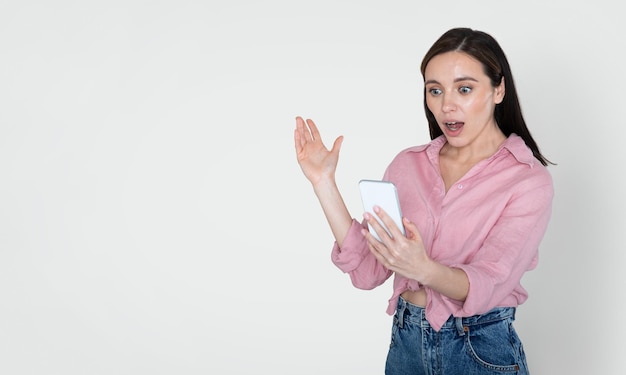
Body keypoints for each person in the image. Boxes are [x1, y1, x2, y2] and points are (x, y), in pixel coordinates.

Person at [293, 27, 553, 374]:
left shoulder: (527, 179)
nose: (446, 105)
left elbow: (490, 282)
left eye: (464, 88)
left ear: (498, 89)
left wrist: (423, 269)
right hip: (406, 345)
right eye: (435, 90)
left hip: (479, 351)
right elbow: (370, 271)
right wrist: (324, 183)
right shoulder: (407, 165)